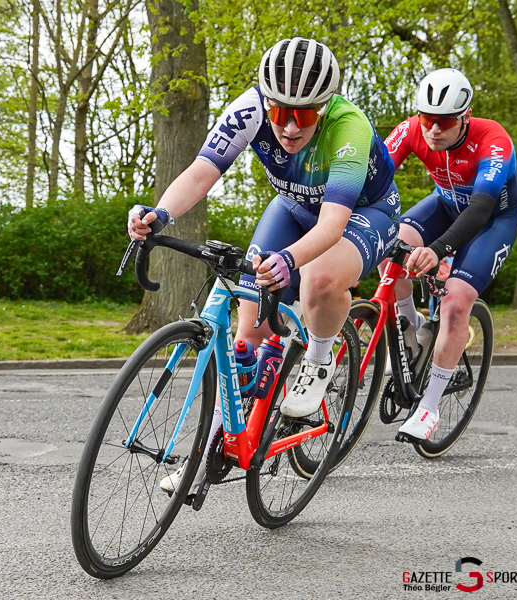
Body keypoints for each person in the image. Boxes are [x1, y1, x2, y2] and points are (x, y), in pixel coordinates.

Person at [126, 37, 401, 493]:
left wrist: (290, 260)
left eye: (305, 115)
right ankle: (212, 446)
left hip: (363, 215)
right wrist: (159, 214)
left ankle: (316, 360)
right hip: (292, 207)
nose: (290, 127)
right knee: (248, 327)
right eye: (279, 113)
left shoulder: (349, 126)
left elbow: (333, 223)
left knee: (319, 278)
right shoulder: (248, 108)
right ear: (265, 102)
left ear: (325, 106)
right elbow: (201, 172)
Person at [383, 68, 517, 441]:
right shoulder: (413, 129)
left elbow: (479, 208)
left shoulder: (491, 139)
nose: (433, 130)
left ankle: (428, 408)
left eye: (444, 122)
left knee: (456, 302)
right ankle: (411, 332)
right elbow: (373, 175)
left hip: (492, 218)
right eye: (426, 119)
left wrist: (437, 249)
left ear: (465, 117)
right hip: (443, 206)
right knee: (387, 252)